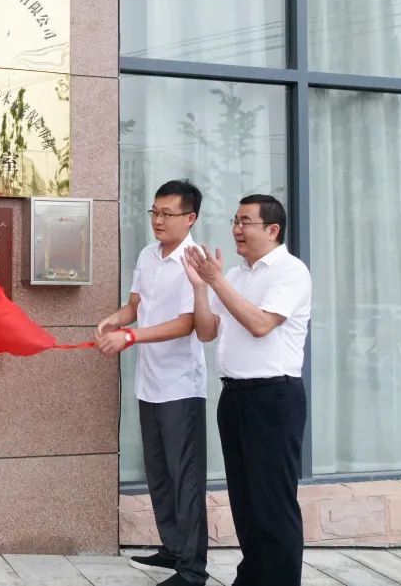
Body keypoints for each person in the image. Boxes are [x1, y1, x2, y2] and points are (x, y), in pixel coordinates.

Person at [184, 194, 311, 586]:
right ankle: (253, 576)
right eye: (235, 221)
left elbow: (260, 324)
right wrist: (201, 288)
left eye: (245, 222)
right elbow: (206, 331)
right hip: (235, 397)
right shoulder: (236, 276)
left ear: (272, 229)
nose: (237, 229)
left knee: (273, 502)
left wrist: (216, 281)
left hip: (274, 398)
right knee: (245, 501)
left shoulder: (290, 272)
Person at [97, 180, 208, 586]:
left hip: (181, 386)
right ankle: (173, 548)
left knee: (185, 478)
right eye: (154, 212)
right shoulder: (148, 254)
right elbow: (135, 305)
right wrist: (114, 320)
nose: (158, 220)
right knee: (159, 472)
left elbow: (186, 323)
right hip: (149, 383)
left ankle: (192, 570)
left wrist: (130, 337)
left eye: (167, 214)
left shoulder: (195, 261)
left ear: (190, 218)